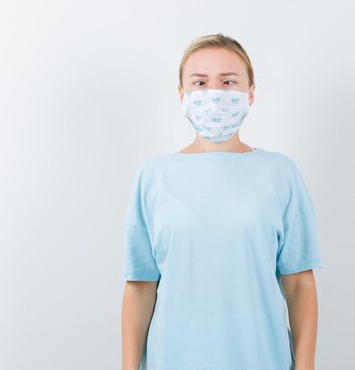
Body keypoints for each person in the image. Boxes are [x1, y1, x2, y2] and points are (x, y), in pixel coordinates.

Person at [121, 33, 323, 370]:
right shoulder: (153, 177)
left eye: (228, 81)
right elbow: (140, 287)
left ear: (250, 93)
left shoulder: (279, 174)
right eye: (200, 82)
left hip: (262, 359)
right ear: (182, 94)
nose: (214, 93)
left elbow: (300, 284)